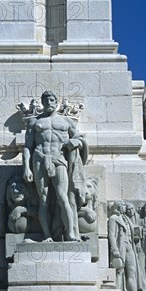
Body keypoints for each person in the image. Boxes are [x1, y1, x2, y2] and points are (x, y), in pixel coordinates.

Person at [23, 91, 88, 242]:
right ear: (42, 102)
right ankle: (47, 236)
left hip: (59, 159)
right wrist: (26, 167)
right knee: (43, 199)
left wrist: (76, 143)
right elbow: (27, 147)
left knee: (62, 196)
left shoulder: (66, 121)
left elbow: (80, 138)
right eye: (45, 100)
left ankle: (71, 233)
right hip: (39, 159)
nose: (49, 103)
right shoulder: (35, 122)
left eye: (52, 100)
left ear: (56, 102)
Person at [108, 201, 143, 291]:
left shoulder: (127, 218)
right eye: (121, 206)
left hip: (129, 246)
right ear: (117, 207)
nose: (124, 207)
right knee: (120, 270)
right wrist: (114, 249)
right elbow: (111, 235)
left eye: (124, 205)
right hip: (121, 246)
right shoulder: (113, 218)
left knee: (132, 271)